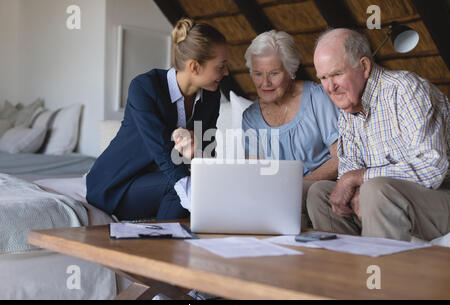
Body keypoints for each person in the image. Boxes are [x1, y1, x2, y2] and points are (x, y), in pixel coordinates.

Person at [307, 28, 450, 241]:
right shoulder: (348, 108)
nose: (330, 87)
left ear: (364, 66)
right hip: (388, 199)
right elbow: (349, 170)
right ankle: (345, 269)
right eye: (324, 78)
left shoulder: (406, 90)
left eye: (337, 74)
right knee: (320, 194)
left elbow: (433, 167)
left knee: (376, 190)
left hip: (441, 197)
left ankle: (380, 271)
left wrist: (361, 179)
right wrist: (355, 187)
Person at [86, 18, 229, 221]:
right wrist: (198, 196)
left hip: (158, 181)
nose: (226, 72)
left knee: (201, 184)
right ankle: (161, 246)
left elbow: (207, 151)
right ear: (195, 67)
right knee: (181, 186)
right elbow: (162, 150)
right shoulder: (145, 87)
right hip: (117, 185)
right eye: (221, 66)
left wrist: (201, 159)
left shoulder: (211, 95)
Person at [242, 30, 340, 229]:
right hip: (277, 196)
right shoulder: (250, 117)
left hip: (319, 190)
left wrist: (298, 186)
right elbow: (255, 172)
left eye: (274, 73)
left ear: (291, 70)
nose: (265, 83)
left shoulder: (317, 98)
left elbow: (340, 158)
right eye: (258, 73)